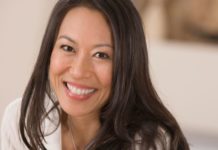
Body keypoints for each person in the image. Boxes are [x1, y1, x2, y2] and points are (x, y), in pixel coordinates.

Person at [1, 0, 190, 149]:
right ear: (50, 51)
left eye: (101, 55)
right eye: (68, 48)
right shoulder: (21, 119)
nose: (78, 71)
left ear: (126, 65)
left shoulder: (151, 143)